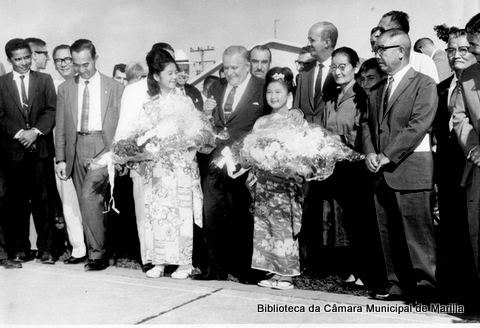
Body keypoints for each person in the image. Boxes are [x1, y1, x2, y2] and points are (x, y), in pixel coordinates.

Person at [114, 47, 211, 279]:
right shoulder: (149, 105)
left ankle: (184, 263)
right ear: (156, 76)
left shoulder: (184, 101)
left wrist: (189, 139)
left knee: (180, 215)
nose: (173, 77)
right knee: (157, 213)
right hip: (156, 166)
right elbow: (140, 135)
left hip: (180, 166)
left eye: (174, 72)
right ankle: (159, 260)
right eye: (168, 73)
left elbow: (197, 133)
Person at [363, 29, 438, 302]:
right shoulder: (376, 89)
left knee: (418, 235)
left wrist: (387, 155)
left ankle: (426, 289)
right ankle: (397, 285)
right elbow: (366, 126)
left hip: (412, 169)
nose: (377, 54)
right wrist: (371, 153)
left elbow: (418, 125)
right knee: (389, 233)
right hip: (381, 172)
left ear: (401, 51)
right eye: (376, 49)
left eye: (383, 49)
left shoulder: (424, 84)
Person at [192, 45, 267, 282]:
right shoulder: (216, 86)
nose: (229, 73)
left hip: (242, 164)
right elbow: (210, 123)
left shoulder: (261, 88)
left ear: (247, 66)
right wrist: (205, 112)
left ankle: (244, 269)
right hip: (214, 161)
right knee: (212, 216)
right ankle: (217, 268)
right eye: (225, 68)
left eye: (234, 67)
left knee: (241, 218)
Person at [55, 39, 124, 271]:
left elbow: (123, 126)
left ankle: (97, 254)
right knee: (91, 204)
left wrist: (116, 153)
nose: (81, 69)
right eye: (77, 65)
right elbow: (62, 126)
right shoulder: (65, 89)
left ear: (95, 58)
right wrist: (61, 158)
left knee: (89, 196)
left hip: (103, 146)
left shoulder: (114, 87)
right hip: (76, 146)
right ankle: (102, 247)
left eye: (86, 64)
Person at [0, 38, 57, 264]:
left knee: (44, 202)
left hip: (40, 150)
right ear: (9, 60)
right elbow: (1, 116)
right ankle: (22, 248)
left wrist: (35, 131)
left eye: (27, 57)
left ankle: (46, 249)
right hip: (14, 153)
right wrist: (21, 134)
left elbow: (51, 110)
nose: (24, 62)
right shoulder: (1, 83)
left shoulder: (44, 80)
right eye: (18, 59)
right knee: (18, 203)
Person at [433, 25, 478, 304]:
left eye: (463, 49)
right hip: (449, 170)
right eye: (451, 50)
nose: (456, 55)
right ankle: (458, 289)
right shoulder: (440, 89)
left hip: (473, 166)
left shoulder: (476, 83)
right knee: (452, 229)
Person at [251, 67, 305, 290]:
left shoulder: (295, 120)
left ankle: (287, 275)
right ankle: (272, 270)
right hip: (263, 183)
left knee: (283, 227)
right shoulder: (261, 122)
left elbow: (301, 151)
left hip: (284, 183)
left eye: (278, 92)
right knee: (265, 226)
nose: (273, 97)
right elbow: (251, 148)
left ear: (288, 94)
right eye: (270, 92)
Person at [293, 21, 339, 275]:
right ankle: (311, 261)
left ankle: (336, 262)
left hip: (332, 150)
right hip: (308, 152)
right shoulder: (305, 74)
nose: (309, 43)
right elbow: (300, 110)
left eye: (312, 39)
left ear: (327, 43)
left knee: (333, 210)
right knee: (310, 205)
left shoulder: (340, 70)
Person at [452, 13, 480, 304]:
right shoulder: (469, 75)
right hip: (477, 168)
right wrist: (475, 147)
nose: (470, 51)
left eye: (474, 45)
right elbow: (460, 118)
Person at [52, 44, 86, 264]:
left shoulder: (83, 85)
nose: (63, 64)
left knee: (90, 202)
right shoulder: (53, 86)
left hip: (85, 151)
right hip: (62, 153)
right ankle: (78, 248)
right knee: (68, 202)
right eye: (58, 60)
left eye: (67, 59)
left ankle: (97, 247)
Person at [375, 11, 440, 83]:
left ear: (398, 33)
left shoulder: (423, 63)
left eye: (382, 30)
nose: (377, 34)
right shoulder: (376, 64)